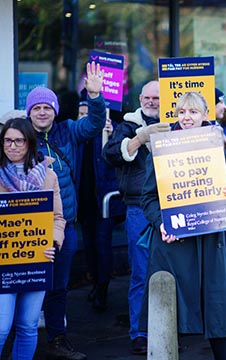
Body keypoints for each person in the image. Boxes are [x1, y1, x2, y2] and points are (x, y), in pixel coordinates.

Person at [140, 91, 226, 359]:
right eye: (182, 112)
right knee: (170, 310)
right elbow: (147, 197)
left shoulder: (217, 146)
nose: (186, 117)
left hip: (209, 241)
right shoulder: (161, 147)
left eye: (193, 112)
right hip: (173, 241)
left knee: (217, 309)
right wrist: (160, 222)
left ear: (205, 114)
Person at [27, 62, 106, 360]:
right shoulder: (20, 136)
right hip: (30, 225)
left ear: (55, 111)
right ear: (29, 112)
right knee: (30, 284)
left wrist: (95, 96)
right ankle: (24, 339)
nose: (43, 112)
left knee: (59, 286)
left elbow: (95, 124)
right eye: (37, 108)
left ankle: (57, 340)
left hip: (66, 226)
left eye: (48, 107)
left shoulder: (69, 131)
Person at [102, 80, 170, 354]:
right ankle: (139, 332)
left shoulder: (176, 123)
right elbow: (110, 155)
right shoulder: (127, 126)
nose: (152, 101)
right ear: (140, 98)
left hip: (173, 207)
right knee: (141, 272)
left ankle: (170, 327)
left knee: (171, 271)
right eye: (147, 97)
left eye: (157, 97)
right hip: (138, 209)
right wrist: (141, 137)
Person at [0, 118, 64, 359]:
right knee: (2, 327)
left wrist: (54, 243)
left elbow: (58, 218)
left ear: (29, 143)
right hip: (4, 262)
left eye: (19, 140)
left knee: (28, 327)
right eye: (7, 140)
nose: (13, 146)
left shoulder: (48, 177)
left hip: (37, 260)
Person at [77, 90, 125, 312]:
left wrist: (112, 134)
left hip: (104, 200)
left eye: (89, 112)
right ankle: (95, 283)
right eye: (81, 112)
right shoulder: (76, 133)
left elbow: (121, 157)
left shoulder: (111, 129)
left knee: (103, 244)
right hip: (83, 200)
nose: (85, 116)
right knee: (89, 245)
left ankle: (103, 289)